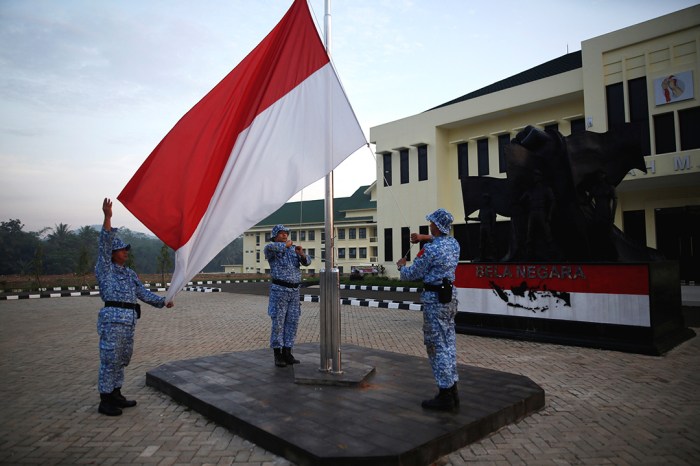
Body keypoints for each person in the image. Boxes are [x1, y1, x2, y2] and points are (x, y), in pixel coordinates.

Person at [95, 198, 174, 416]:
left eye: (126, 250)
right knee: (109, 359)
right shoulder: (105, 269)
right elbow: (103, 244)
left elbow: (143, 293)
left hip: (128, 321)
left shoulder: (129, 274)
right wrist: (108, 217)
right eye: (121, 250)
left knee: (122, 358)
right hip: (112, 320)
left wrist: (163, 301)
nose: (125, 252)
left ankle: (116, 393)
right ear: (112, 253)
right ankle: (105, 399)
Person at [397, 208, 461, 411]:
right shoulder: (454, 244)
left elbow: (411, 274)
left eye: (432, 223)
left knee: (436, 346)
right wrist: (423, 237)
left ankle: (445, 394)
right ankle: (453, 389)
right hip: (450, 298)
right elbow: (438, 240)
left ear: (437, 225)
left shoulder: (431, 251)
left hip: (434, 301)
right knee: (449, 342)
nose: (430, 225)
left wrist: (401, 266)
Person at [264, 224, 311, 367]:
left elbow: (307, 262)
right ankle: (277, 354)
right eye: (282, 233)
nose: (285, 235)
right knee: (278, 322)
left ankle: (287, 352)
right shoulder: (271, 248)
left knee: (292, 321)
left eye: (286, 233)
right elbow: (276, 248)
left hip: (294, 292)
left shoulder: (293, 249)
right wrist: (287, 245)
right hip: (279, 290)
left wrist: (301, 254)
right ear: (275, 235)